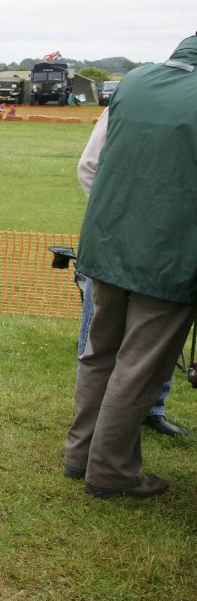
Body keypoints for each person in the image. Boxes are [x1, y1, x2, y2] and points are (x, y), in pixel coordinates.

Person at [62, 33, 197, 500]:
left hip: (107, 246)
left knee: (100, 353)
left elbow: (91, 165)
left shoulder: (134, 83)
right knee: (139, 366)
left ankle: (79, 456)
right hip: (169, 260)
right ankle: (112, 471)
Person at [74, 106, 186, 438]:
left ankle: (150, 408)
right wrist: (118, 219)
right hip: (120, 242)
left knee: (149, 336)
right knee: (103, 337)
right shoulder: (128, 101)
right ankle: (96, 424)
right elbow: (89, 167)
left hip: (156, 245)